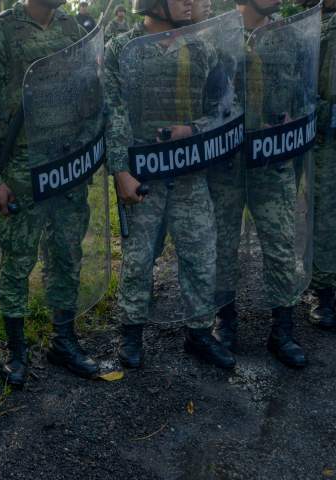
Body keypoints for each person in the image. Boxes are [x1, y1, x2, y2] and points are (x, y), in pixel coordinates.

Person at [0, 0, 108, 385]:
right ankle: (16, 352)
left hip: (67, 163)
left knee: (66, 252)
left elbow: (87, 91)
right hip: (23, 167)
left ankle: (64, 340)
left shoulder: (70, 28)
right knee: (18, 259)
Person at [105, 0, 236, 370]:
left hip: (189, 173)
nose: (191, 2)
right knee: (138, 258)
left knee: (201, 254)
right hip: (143, 175)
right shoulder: (122, 49)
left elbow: (224, 107)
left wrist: (193, 130)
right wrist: (120, 171)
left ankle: (199, 333)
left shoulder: (203, 49)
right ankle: (131, 331)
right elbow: (112, 112)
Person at [210, 0, 310, 368]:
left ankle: (283, 329)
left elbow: (305, 92)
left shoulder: (290, 36)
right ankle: (224, 320)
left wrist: (293, 119)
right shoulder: (216, 34)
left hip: (271, 161)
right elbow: (201, 96)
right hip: (228, 163)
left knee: (280, 243)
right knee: (223, 242)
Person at [299, 0, 336, 330]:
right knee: (324, 213)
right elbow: (303, 86)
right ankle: (323, 291)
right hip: (328, 141)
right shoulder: (316, 29)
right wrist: (327, 115)